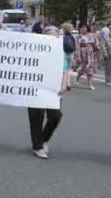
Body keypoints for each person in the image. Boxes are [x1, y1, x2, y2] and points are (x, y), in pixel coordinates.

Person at [28, 25, 66, 159]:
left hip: (53, 90)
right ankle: (37, 147)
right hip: (35, 88)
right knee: (36, 118)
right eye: (49, 36)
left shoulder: (60, 52)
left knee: (55, 117)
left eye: (55, 37)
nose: (53, 39)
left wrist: (64, 85)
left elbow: (66, 70)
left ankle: (44, 139)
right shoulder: (33, 51)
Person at [75, 24, 99, 91]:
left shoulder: (92, 35)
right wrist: (78, 56)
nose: (83, 29)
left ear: (87, 28)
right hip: (83, 54)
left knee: (90, 69)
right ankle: (77, 78)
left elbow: (95, 45)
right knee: (83, 69)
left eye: (84, 28)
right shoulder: (79, 37)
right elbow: (77, 47)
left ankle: (90, 84)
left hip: (91, 54)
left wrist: (96, 47)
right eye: (81, 28)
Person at [61, 22, 77, 91]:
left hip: (63, 53)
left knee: (63, 69)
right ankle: (68, 84)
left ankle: (63, 84)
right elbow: (75, 46)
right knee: (69, 69)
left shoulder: (62, 37)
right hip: (71, 54)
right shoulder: (72, 37)